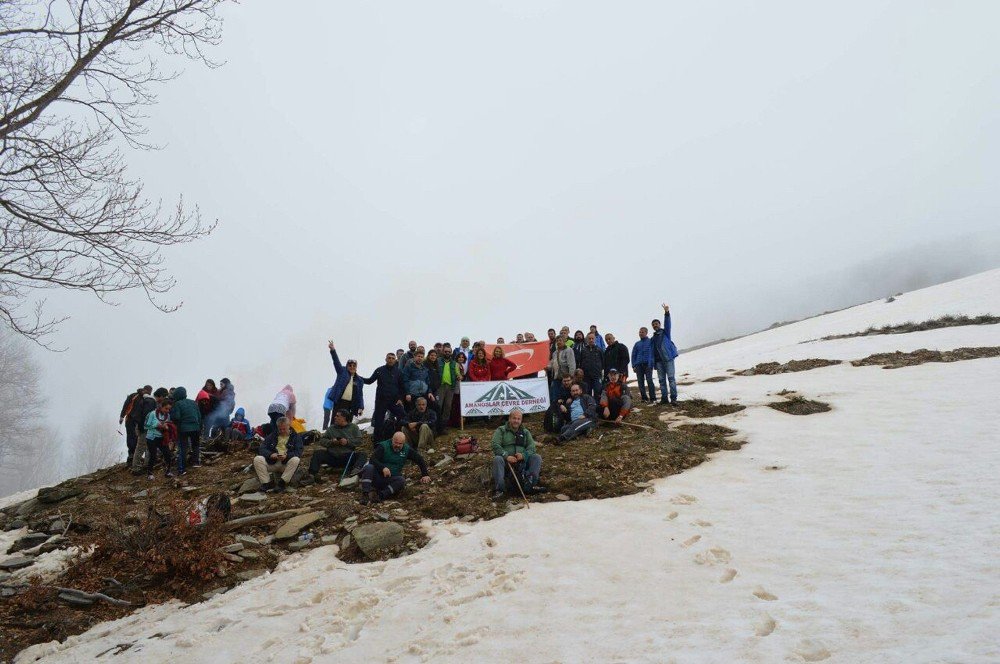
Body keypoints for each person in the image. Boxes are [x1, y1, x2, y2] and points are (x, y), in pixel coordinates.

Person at [359, 432, 430, 504]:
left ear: (404, 443)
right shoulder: (383, 446)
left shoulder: (406, 449)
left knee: (401, 480)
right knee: (369, 467)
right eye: (396, 443)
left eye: (400, 444)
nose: (397, 445)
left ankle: (380, 496)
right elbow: (372, 459)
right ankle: (365, 494)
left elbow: (419, 459)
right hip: (377, 477)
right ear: (392, 440)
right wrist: (383, 468)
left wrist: (425, 474)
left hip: (390, 479)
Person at [490, 409, 545, 500]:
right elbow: (495, 444)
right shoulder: (501, 430)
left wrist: (524, 455)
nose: (516, 421)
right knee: (497, 459)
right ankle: (500, 490)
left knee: (536, 457)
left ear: (521, 420)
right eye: (514, 418)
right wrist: (506, 456)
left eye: (519, 419)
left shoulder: (525, 432)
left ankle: (530, 485)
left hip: (521, 462)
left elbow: (532, 447)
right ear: (509, 419)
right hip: (506, 463)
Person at [309, 409, 365, 483]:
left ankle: (355, 471)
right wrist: (331, 442)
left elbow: (359, 441)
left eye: (337, 416)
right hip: (332, 456)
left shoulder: (353, 428)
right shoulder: (331, 428)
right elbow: (322, 440)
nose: (335, 417)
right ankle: (312, 474)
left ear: (344, 418)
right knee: (318, 453)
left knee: (362, 454)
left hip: (347, 456)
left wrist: (347, 442)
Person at [253, 416, 303, 493]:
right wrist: (271, 454)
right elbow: (262, 448)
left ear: (289, 426)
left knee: (296, 459)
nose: (282, 431)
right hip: (272, 462)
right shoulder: (272, 436)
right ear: (277, 427)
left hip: (286, 464)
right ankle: (266, 483)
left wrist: (287, 456)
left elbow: (298, 452)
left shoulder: (296, 437)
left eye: (284, 429)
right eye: (280, 429)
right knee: (257, 459)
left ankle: (281, 483)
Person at [363, 352, 406, 441]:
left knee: (402, 415)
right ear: (386, 359)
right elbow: (369, 380)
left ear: (395, 360)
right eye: (389, 358)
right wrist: (356, 377)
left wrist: (400, 398)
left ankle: (396, 437)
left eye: (392, 358)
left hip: (394, 400)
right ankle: (377, 442)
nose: (390, 360)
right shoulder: (379, 370)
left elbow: (402, 387)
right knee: (378, 421)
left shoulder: (398, 372)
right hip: (381, 400)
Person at [325, 341, 365, 426]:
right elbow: (336, 362)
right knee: (335, 420)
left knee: (347, 423)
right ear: (347, 366)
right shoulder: (342, 372)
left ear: (356, 367)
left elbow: (360, 395)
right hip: (339, 402)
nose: (352, 367)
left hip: (350, 404)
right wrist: (332, 350)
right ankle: (331, 437)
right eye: (350, 365)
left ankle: (345, 438)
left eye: (354, 365)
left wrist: (361, 407)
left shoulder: (359, 380)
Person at [651, 303, 680, 405]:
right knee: (662, 381)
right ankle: (664, 399)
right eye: (653, 324)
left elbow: (668, 323)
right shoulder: (653, 339)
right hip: (658, 362)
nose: (655, 325)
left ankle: (673, 398)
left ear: (659, 324)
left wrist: (666, 312)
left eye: (656, 324)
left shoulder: (665, 333)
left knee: (671, 379)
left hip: (668, 359)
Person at [170, 386, 201, 475]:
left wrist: (176, 424)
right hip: (195, 427)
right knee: (195, 445)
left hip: (183, 429)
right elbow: (199, 416)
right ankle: (196, 462)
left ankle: (182, 469)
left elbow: (176, 417)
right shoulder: (193, 402)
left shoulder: (177, 404)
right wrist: (199, 426)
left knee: (183, 448)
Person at [144, 397, 176, 479]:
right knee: (153, 455)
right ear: (161, 406)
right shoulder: (152, 414)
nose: (167, 411)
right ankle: (150, 474)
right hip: (151, 437)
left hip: (162, 438)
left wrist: (166, 427)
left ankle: (168, 472)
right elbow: (145, 426)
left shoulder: (167, 415)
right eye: (166, 408)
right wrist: (156, 425)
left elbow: (168, 424)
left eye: (169, 409)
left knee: (168, 454)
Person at [131, 386, 158, 475]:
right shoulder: (150, 401)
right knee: (143, 447)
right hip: (146, 427)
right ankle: (137, 468)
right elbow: (147, 415)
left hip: (140, 425)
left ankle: (140, 466)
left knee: (143, 447)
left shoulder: (140, 399)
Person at [436, 347, 461, 434]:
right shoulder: (438, 361)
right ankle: (436, 426)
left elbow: (458, 374)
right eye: (446, 351)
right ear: (443, 352)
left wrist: (459, 376)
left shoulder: (455, 363)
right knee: (438, 406)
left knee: (447, 407)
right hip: (440, 387)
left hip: (450, 388)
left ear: (451, 353)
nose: (447, 353)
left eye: (449, 352)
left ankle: (443, 427)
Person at [119, 387, 145, 466]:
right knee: (134, 437)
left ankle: (132, 456)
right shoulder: (136, 396)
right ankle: (132, 456)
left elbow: (125, 405)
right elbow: (126, 405)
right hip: (133, 420)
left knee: (132, 437)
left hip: (131, 420)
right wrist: (122, 416)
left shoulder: (135, 396)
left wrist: (122, 417)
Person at [631, 327, 657, 403]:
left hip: (648, 364)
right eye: (640, 332)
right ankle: (644, 398)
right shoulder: (637, 344)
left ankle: (653, 398)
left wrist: (651, 363)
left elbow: (653, 353)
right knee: (640, 382)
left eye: (642, 332)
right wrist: (633, 365)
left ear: (646, 333)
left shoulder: (650, 341)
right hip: (638, 365)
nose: (640, 333)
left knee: (649, 380)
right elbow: (633, 355)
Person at [579, 333, 604, 399]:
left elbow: (603, 361)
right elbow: (581, 362)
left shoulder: (599, 350)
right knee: (587, 393)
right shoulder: (583, 350)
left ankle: (598, 408)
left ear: (595, 339)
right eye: (589, 338)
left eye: (592, 338)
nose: (591, 340)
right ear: (587, 340)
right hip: (586, 376)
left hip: (597, 375)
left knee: (598, 392)